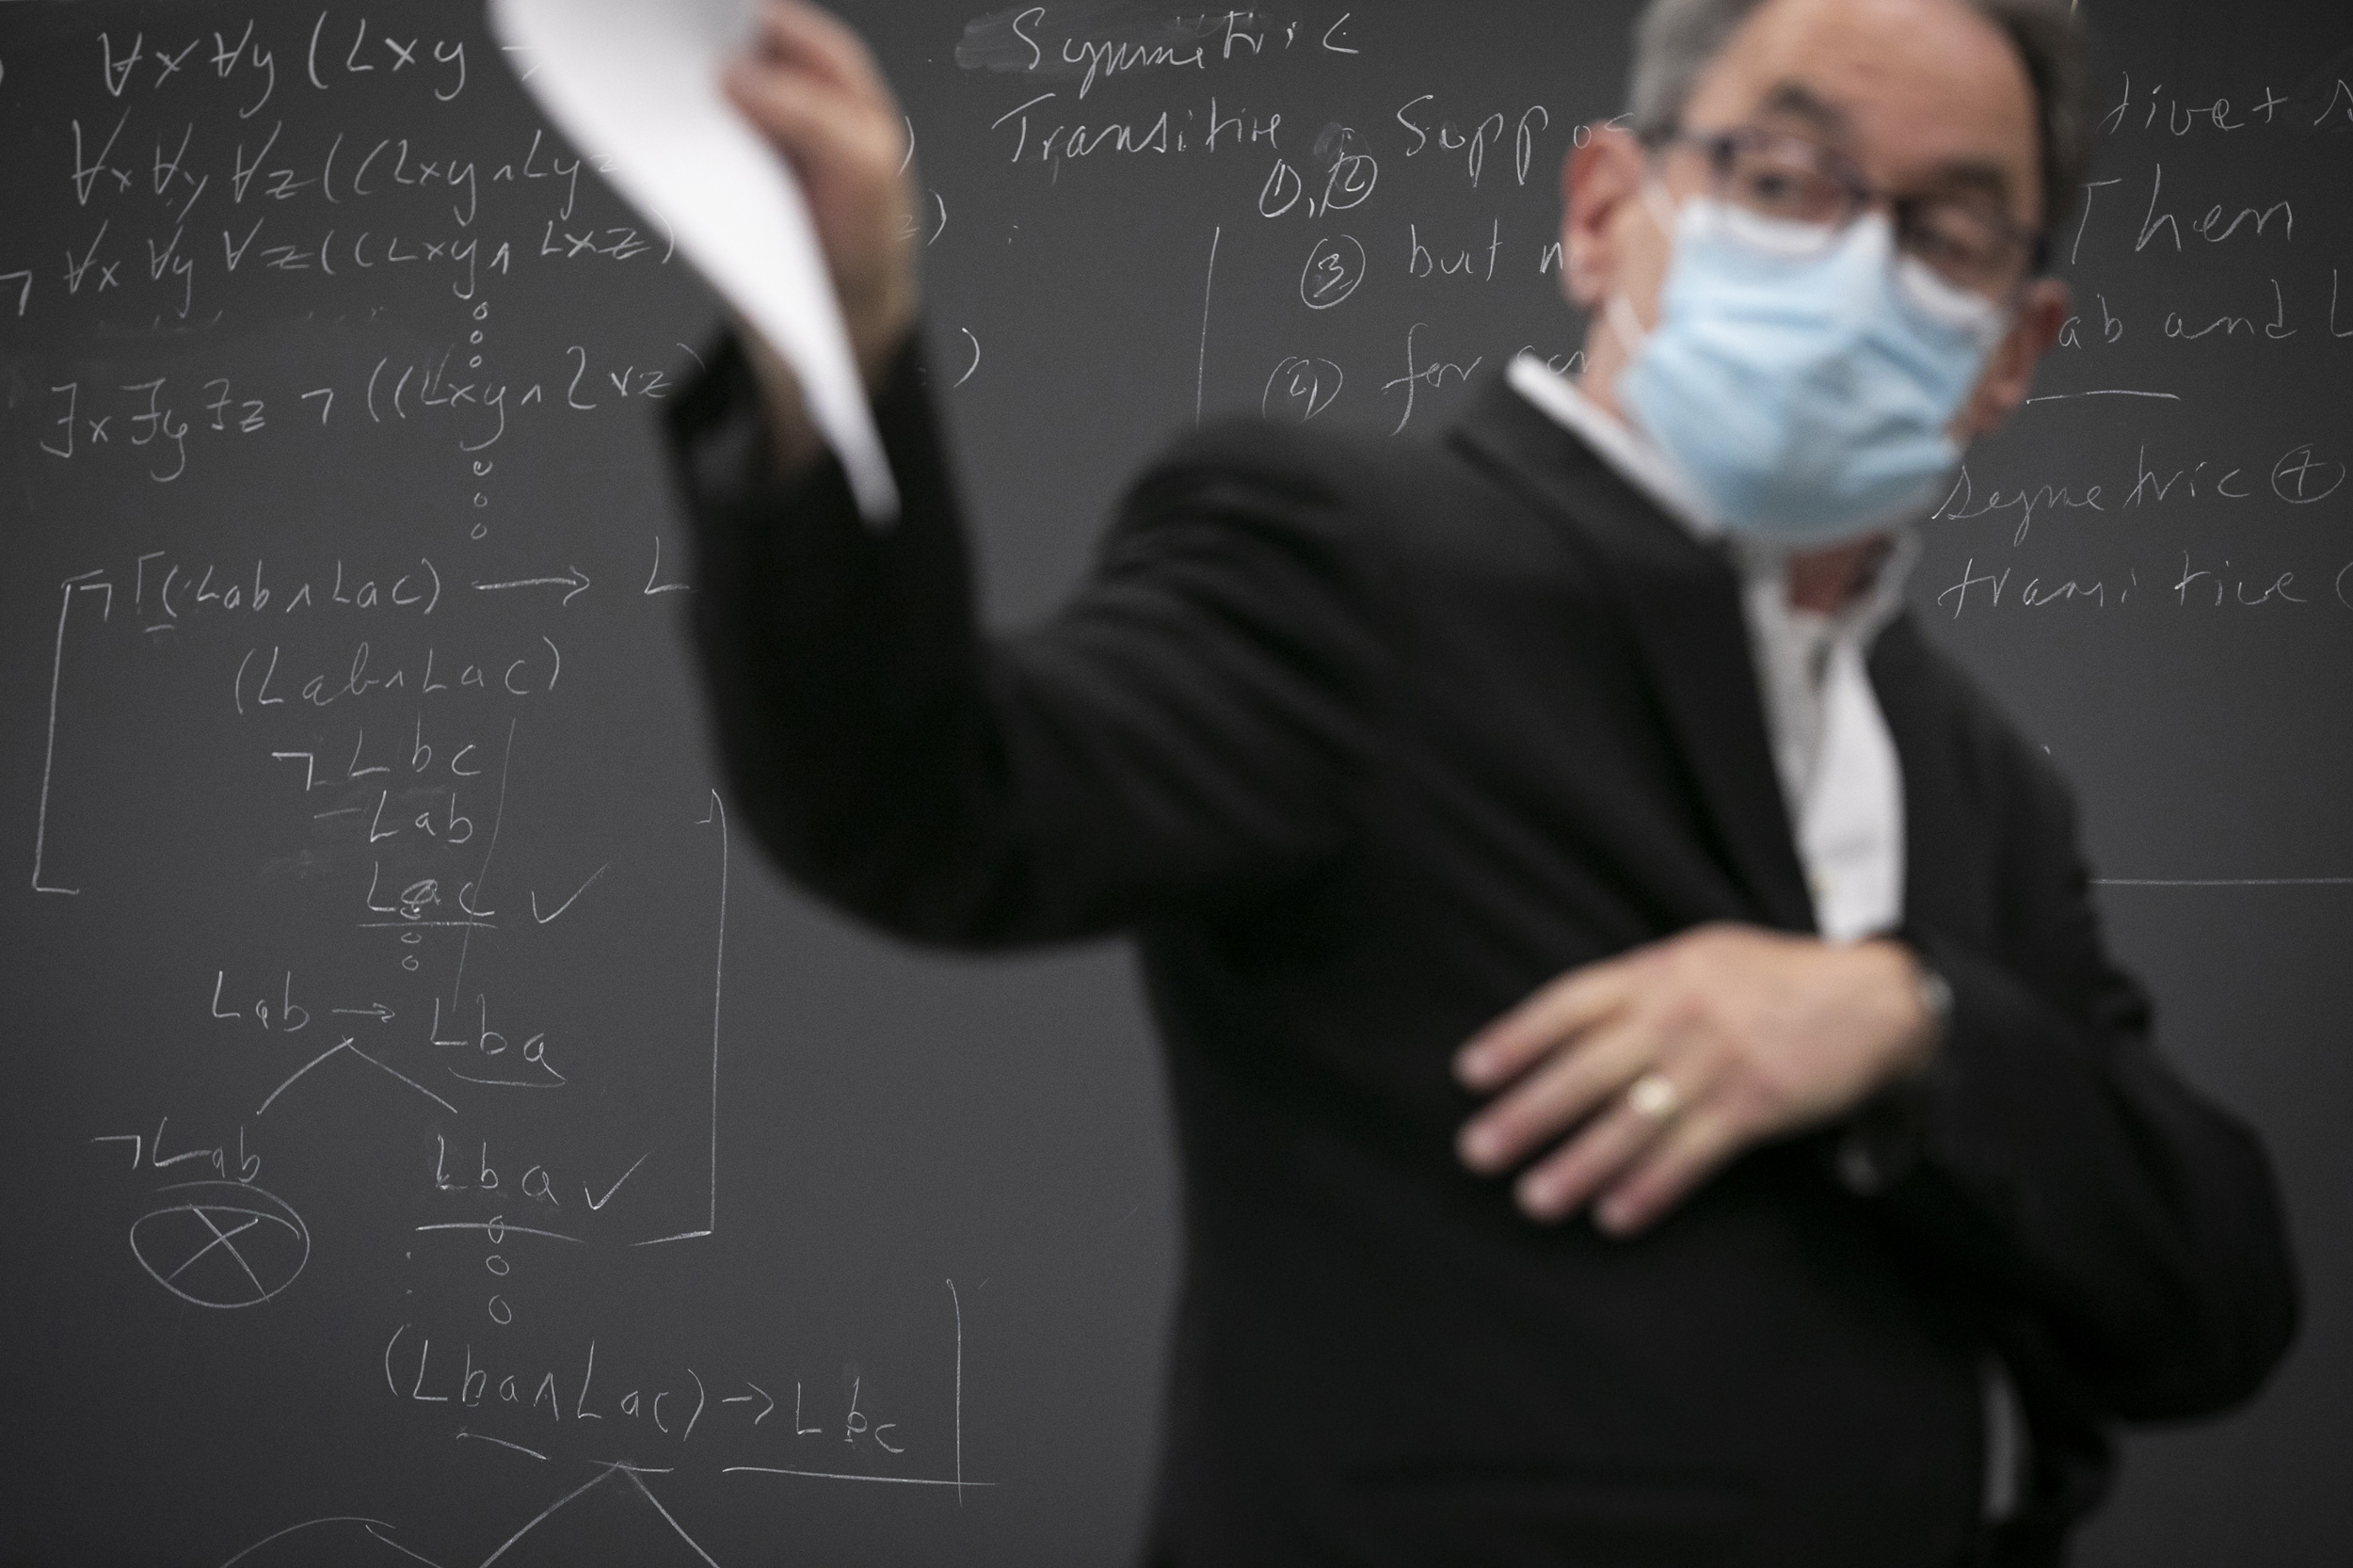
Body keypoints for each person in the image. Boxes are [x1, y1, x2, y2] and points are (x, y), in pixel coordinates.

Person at [667, 0, 2299, 1561]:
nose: (1859, 267)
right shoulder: (1350, 565)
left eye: (1945, 234)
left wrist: (1903, 1022)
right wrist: (831, 351)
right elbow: (926, 805)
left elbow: (2210, 1297)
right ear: (1606, 209)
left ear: (2014, 348)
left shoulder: (1979, 773)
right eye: (1789, 181)